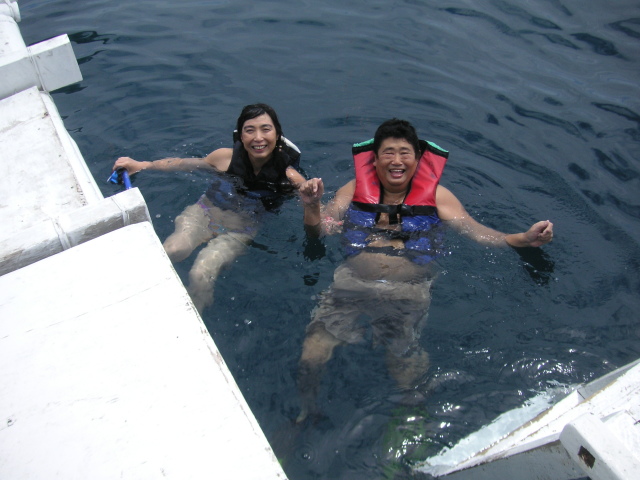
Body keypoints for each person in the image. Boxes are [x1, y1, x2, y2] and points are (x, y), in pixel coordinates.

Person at [296, 118, 553, 423]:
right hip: (351, 282)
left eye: (404, 153)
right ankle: (305, 413)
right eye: (388, 152)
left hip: (408, 289)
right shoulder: (353, 190)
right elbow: (320, 231)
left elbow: (478, 233)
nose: (396, 160)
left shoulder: (438, 197)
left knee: (403, 361)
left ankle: (412, 417)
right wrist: (312, 206)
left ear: (418, 159)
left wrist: (523, 239)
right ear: (374, 159)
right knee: (311, 352)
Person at [112, 104, 306, 313]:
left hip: (239, 232)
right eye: (250, 130)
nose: (258, 137)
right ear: (241, 136)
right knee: (172, 250)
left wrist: (318, 207)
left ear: (277, 135)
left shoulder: (290, 178)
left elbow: (315, 208)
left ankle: (190, 317)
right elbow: (181, 164)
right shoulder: (224, 158)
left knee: (201, 274)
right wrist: (143, 165)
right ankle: (128, 299)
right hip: (203, 213)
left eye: (266, 129)